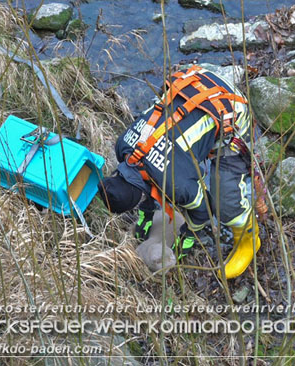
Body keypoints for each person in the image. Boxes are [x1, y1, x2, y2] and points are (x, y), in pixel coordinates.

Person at [97, 64, 261, 279]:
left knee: (226, 202)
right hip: (195, 83)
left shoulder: (177, 184)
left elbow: (202, 211)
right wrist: (146, 215)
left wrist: (189, 235)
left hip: (228, 108)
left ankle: (250, 241)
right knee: (156, 173)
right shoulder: (123, 147)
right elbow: (144, 181)